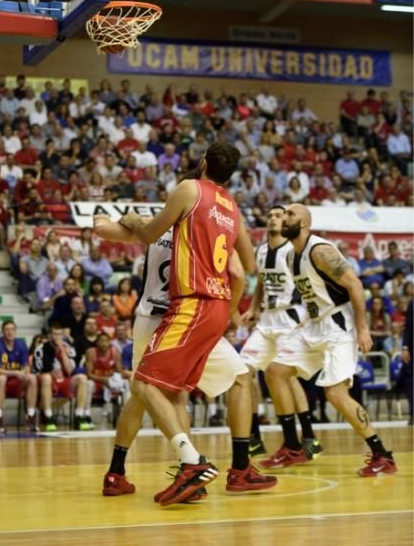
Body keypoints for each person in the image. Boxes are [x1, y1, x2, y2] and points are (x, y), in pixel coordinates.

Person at [115, 143, 276, 505]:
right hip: (218, 305)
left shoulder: (189, 189)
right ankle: (239, 468)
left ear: (203, 163)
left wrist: (135, 219)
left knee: (145, 384)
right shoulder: (233, 207)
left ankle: (189, 464)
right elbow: (247, 268)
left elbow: (146, 233)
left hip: (191, 303)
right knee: (232, 379)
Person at [265, 204, 397, 477]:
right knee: (275, 372)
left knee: (335, 394)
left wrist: (362, 328)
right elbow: (313, 294)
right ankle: (293, 446)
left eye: (290, 215)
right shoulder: (291, 256)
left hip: (339, 326)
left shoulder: (320, 251)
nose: (283, 218)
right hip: (314, 325)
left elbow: (355, 285)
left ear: (303, 223)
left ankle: (382, 454)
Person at [240, 205, 322, 467]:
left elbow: (310, 284)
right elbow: (262, 282)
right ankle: (253, 435)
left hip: (291, 317)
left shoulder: (293, 250)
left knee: (287, 377)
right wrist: (254, 307)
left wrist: (309, 317)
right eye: (271, 215)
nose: (274, 218)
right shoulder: (262, 250)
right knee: (242, 370)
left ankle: (307, 437)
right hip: (267, 320)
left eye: (279, 215)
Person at [32, 323, 91, 432]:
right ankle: (48, 417)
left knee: (82, 378)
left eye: (60, 335)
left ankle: (79, 417)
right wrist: (52, 372)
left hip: (64, 379)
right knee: (46, 378)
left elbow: (70, 371)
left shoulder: (68, 348)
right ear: (50, 335)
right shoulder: (41, 348)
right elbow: (42, 370)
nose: (57, 337)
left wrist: (62, 351)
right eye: (55, 334)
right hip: (46, 380)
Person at [0, 320, 38, 432]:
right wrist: (16, 372)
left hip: (17, 383)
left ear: (16, 331)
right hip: (2, 384)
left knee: (32, 377)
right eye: (7, 329)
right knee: (1, 378)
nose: (10, 332)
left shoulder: (21, 343)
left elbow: (26, 366)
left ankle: (30, 417)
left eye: (12, 329)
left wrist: (24, 373)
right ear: (2, 332)